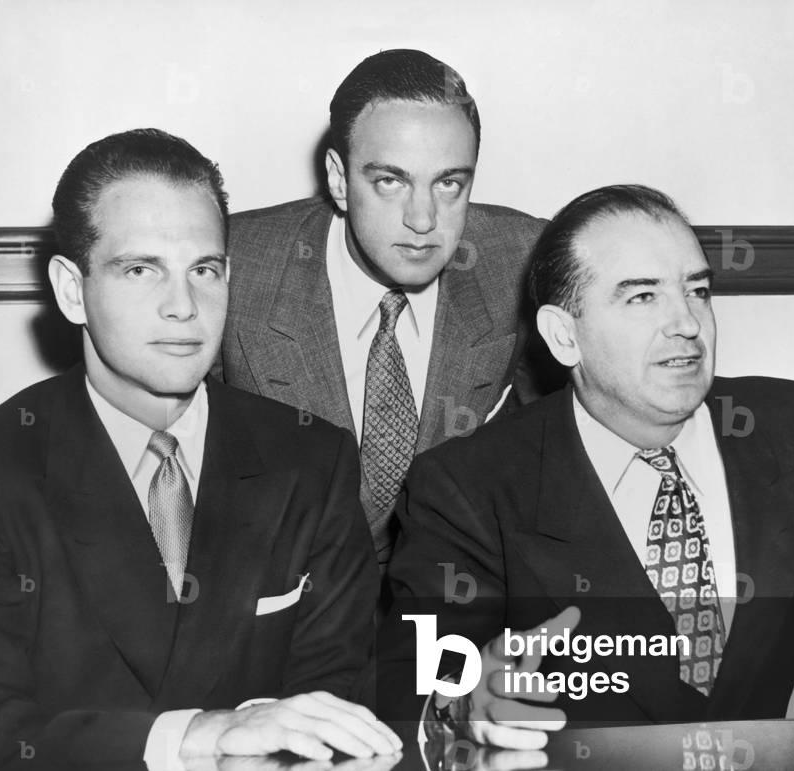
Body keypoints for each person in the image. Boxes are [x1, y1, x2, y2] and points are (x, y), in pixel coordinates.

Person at [0, 129, 401, 771]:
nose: (184, 307)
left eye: (205, 271)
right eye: (140, 270)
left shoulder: (312, 458)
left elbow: (340, 703)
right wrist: (196, 737)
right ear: (72, 290)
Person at [377, 184, 794, 747]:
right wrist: (461, 705)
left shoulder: (792, 428)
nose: (687, 323)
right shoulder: (468, 485)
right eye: (643, 297)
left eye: (697, 291)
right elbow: (420, 681)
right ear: (564, 335)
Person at [221, 49, 550, 570]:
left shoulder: (520, 259)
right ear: (337, 178)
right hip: (283, 602)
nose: (423, 219)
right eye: (390, 181)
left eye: (449, 183)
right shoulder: (234, 267)